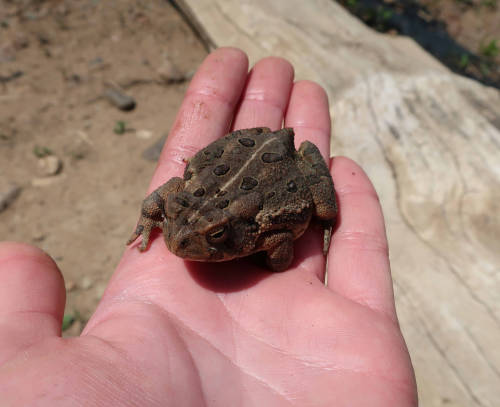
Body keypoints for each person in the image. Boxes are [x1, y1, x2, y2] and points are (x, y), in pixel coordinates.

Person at [0, 48, 417, 406]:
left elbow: (281, 244)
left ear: (230, 234)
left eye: (213, 238)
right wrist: (150, 217)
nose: (179, 241)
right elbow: (167, 192)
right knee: (196, 177)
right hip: (229, 176)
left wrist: (270, 264)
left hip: (280, 172)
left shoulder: (255, 230)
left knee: (325, 209)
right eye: (178, 219)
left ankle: (294, 183)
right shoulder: (185, 200)